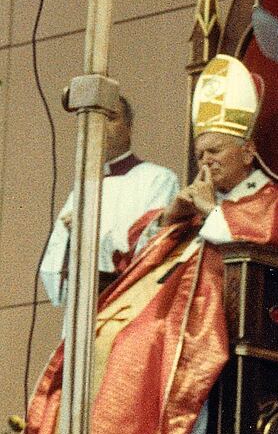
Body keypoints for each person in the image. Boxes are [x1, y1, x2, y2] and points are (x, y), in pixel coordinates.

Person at [25, 55, 278, 434]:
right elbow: (136, 257)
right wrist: (171, 219)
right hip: (169, 307)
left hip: (218, 318)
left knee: (143, 340)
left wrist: (215, 215)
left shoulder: (276, 200)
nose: (205, 162)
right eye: (200, 153)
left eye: (215, 151)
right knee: (99, 330)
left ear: (248, 151)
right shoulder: (200, 201)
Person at [39, 94, 179, 305]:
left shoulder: (158, 179)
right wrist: (72, 240)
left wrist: (90, 234)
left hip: (129, 304)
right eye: (96, 120)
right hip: (80, 308)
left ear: (129, 128)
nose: (101, 126)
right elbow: (54, 270)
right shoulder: (81, 190)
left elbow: (153, 247)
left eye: (111, 118)